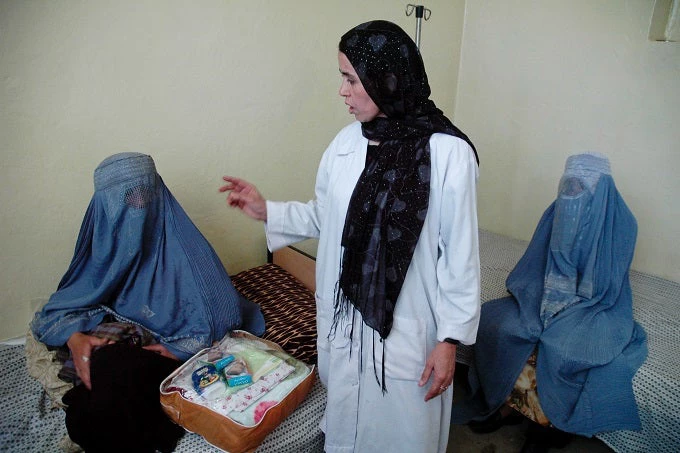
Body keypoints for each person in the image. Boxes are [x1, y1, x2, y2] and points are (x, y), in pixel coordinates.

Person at [220, 20, 480, 453]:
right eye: (342, 77)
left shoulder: (447, 154)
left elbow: (460, 256)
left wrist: (449, 341)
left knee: (403, 433)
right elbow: (328, 216)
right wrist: (267, 210)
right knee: (347, 429)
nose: (342, 91)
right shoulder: (345, 144)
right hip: (345, 321)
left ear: (387, 79)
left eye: (351, 79)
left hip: (406, 331)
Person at [30, 152, 264, 452]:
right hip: (127, 345)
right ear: (104, 204)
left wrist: (178, 349)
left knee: (110, 370)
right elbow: (66, 301)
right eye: (126, 197)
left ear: (158, 191)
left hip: (168, 352)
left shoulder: (183, 247)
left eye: (144, 193)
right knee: (91, 378)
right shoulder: (104, 241)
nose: (138, 206)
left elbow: (224, 312)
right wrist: (76, 339)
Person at [451, 153, 648, 452]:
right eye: (567, 186)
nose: (571, 196)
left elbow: (609, 285)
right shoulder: (555, 212)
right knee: (501, 326)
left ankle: (545, 424)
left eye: (581, 188)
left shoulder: (622, 224)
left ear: (603, 189)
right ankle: (507, 405)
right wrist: (541, 302)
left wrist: (568, 308)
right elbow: (533, 266)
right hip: (543, 296)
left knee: (562, 348)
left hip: (595, 306)